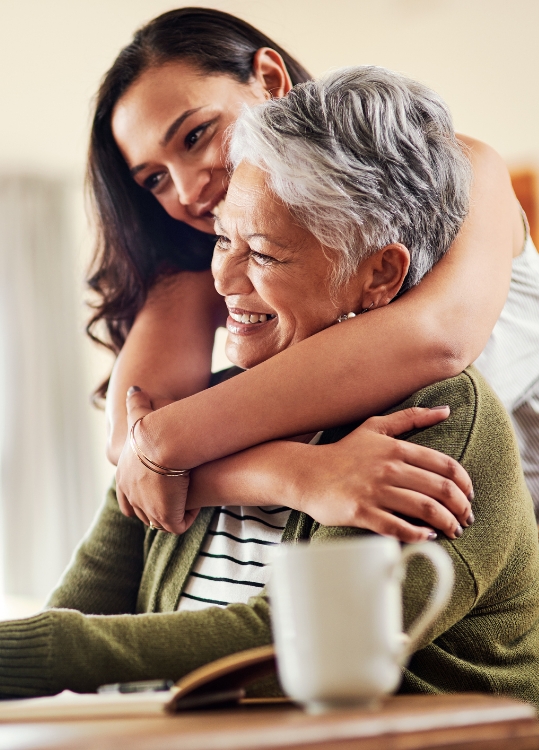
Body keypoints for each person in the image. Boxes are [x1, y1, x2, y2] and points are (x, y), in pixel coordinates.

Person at [1, 67, 537, 705]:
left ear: (378, 275)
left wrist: (55, 652)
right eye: (222, 238)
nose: (223, 280)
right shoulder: (208, 411)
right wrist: (274, 470)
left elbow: (307, 645)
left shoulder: (440, 417)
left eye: (262, 253)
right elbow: (87, 588)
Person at [86, 8, 533, 538]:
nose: (187, 192)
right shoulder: (207, 257)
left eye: (195, 136)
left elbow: (437, 339)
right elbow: (130, 442)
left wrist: (166, 444)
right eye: (156, 178)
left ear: (270, 80)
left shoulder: (462, 170)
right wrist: (296, 476)